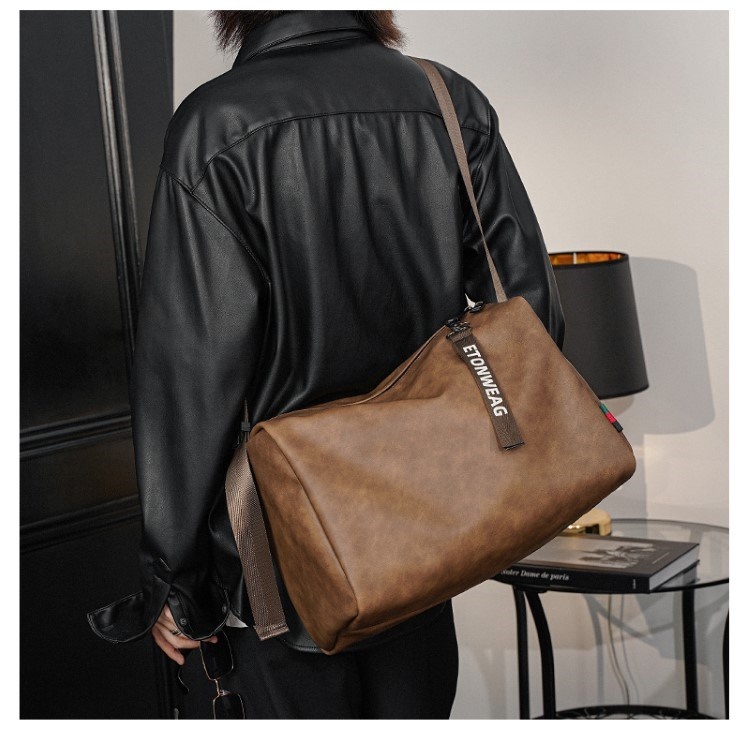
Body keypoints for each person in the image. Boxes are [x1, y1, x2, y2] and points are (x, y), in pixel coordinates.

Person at [87, 9, 565, 719]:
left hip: (277, 556)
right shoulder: (446, 99)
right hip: (423, 531)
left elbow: (191, 379)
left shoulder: (215, 126)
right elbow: (529, 322)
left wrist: (176, 581)